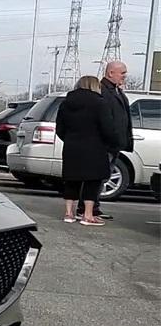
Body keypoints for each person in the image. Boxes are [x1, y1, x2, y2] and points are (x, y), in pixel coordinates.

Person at [56, 75, 118, 226]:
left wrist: (70, 139)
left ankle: (69, 213)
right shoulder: (100, 103)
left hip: (71, 146)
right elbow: (107, 128)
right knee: (93, 180)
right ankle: (87, 215)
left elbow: (60, 128)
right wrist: (111, 143)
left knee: (71, 179)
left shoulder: (66, 104)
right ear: (95, 86)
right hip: (94, 147)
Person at [77, 61, 133, 220]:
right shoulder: (101, 91)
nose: (124, 76)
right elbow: (102, 119)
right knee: (96, 177)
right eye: (122, 73)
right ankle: (86, 209)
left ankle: (94, 207)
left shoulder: (117, 92)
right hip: (104, 143)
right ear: (111, 73)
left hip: (115, 143)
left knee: (103, 176)